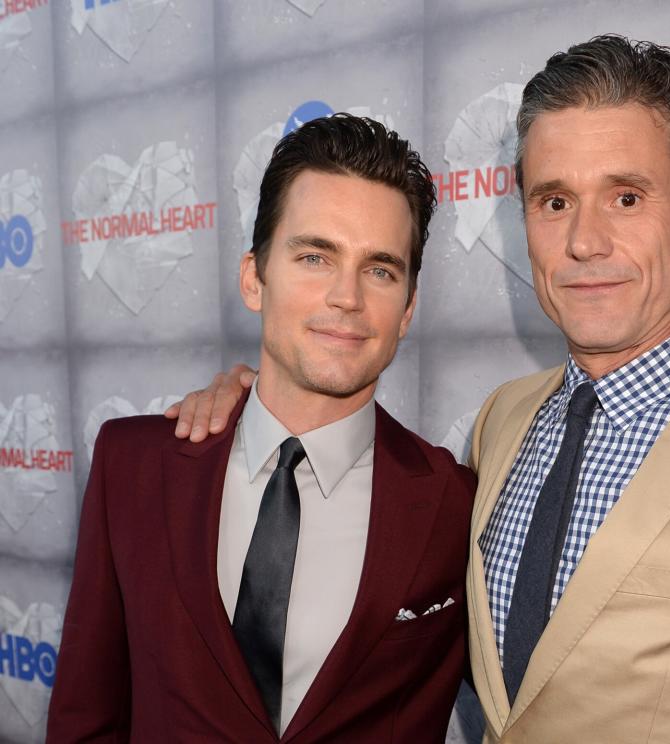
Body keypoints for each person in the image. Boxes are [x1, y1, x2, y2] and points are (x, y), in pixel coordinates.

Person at [170, 37, 670, 743]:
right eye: (555, 202)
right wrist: (255, 408)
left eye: (626, 198)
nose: (585, 241)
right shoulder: (504, 421)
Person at [48, 115, 475, 743]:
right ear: (255, 277)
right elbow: (86, 715)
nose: (346, 297)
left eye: (380, 270)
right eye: (314, 256)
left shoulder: (457, 503)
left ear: (408, 308)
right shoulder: (132, 465)